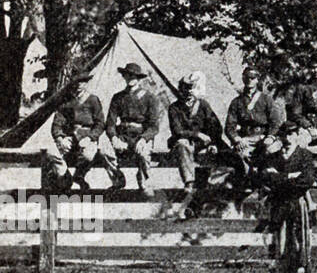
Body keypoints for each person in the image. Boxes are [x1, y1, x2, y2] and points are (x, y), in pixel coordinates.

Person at [259, 127, 317, 273]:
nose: (288, 138)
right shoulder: (273, 157)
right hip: (280, 207)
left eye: (292, 135)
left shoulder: (305, 156)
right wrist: (289, 177)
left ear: (297, 136)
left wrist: (281, 179)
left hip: (298, 206)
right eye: (285, 135)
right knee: (283, 250)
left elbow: (307, 180)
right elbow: (266, 179)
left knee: (301, 249)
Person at [166, 71, 228, 218]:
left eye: (191, 88)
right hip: (186, 142)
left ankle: (202, 205)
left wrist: (213, 142)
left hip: (203, 145)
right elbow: (177, 130)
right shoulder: (174, 108)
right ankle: (189, 182)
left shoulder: (203, 105)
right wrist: (197, 134)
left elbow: (215, 127)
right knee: (181, 144)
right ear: (180, 89)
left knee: (216, 163)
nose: (188, 92)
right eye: (184, 88)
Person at [50, 70, 123, 192]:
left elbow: (100, 124)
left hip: (88, 137)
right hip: (70, 138)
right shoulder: (66, 101)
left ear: (87, 83)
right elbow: (57, 124)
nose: (79, 85)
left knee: (88, 156)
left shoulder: (93, 100)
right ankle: (65, 178)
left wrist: (90, 138)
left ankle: (78, 176)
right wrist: (60, 138)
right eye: (76, 82)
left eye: (82, 82)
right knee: (50, 152)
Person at [105, 62, 161, 191]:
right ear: (124, 76)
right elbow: (110, 123)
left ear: (139, 78)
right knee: (105, 151)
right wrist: (114, 138)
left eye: (133, 76)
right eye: (127, 75)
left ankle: (143, 180)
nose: (130, 78)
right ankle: (118, 179)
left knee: (144, 152)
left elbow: (154, 126)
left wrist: (144, 139)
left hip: (140, 135)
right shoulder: (118, 97)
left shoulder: (150, 97)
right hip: (122, 135)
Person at [224, 67, 284, 187]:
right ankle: (247, 185)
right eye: (246, 77)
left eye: (253, 78)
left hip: (264, 137)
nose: (249, 80)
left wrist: (271, 137)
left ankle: (267, 183)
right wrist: (237, 139)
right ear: (243, 78)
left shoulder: (266, 99)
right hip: (246, 138)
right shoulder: (237, 102)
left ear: (257, 80)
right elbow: (230, 126)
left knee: (271, 152)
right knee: (241, 155)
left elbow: (276, 122)